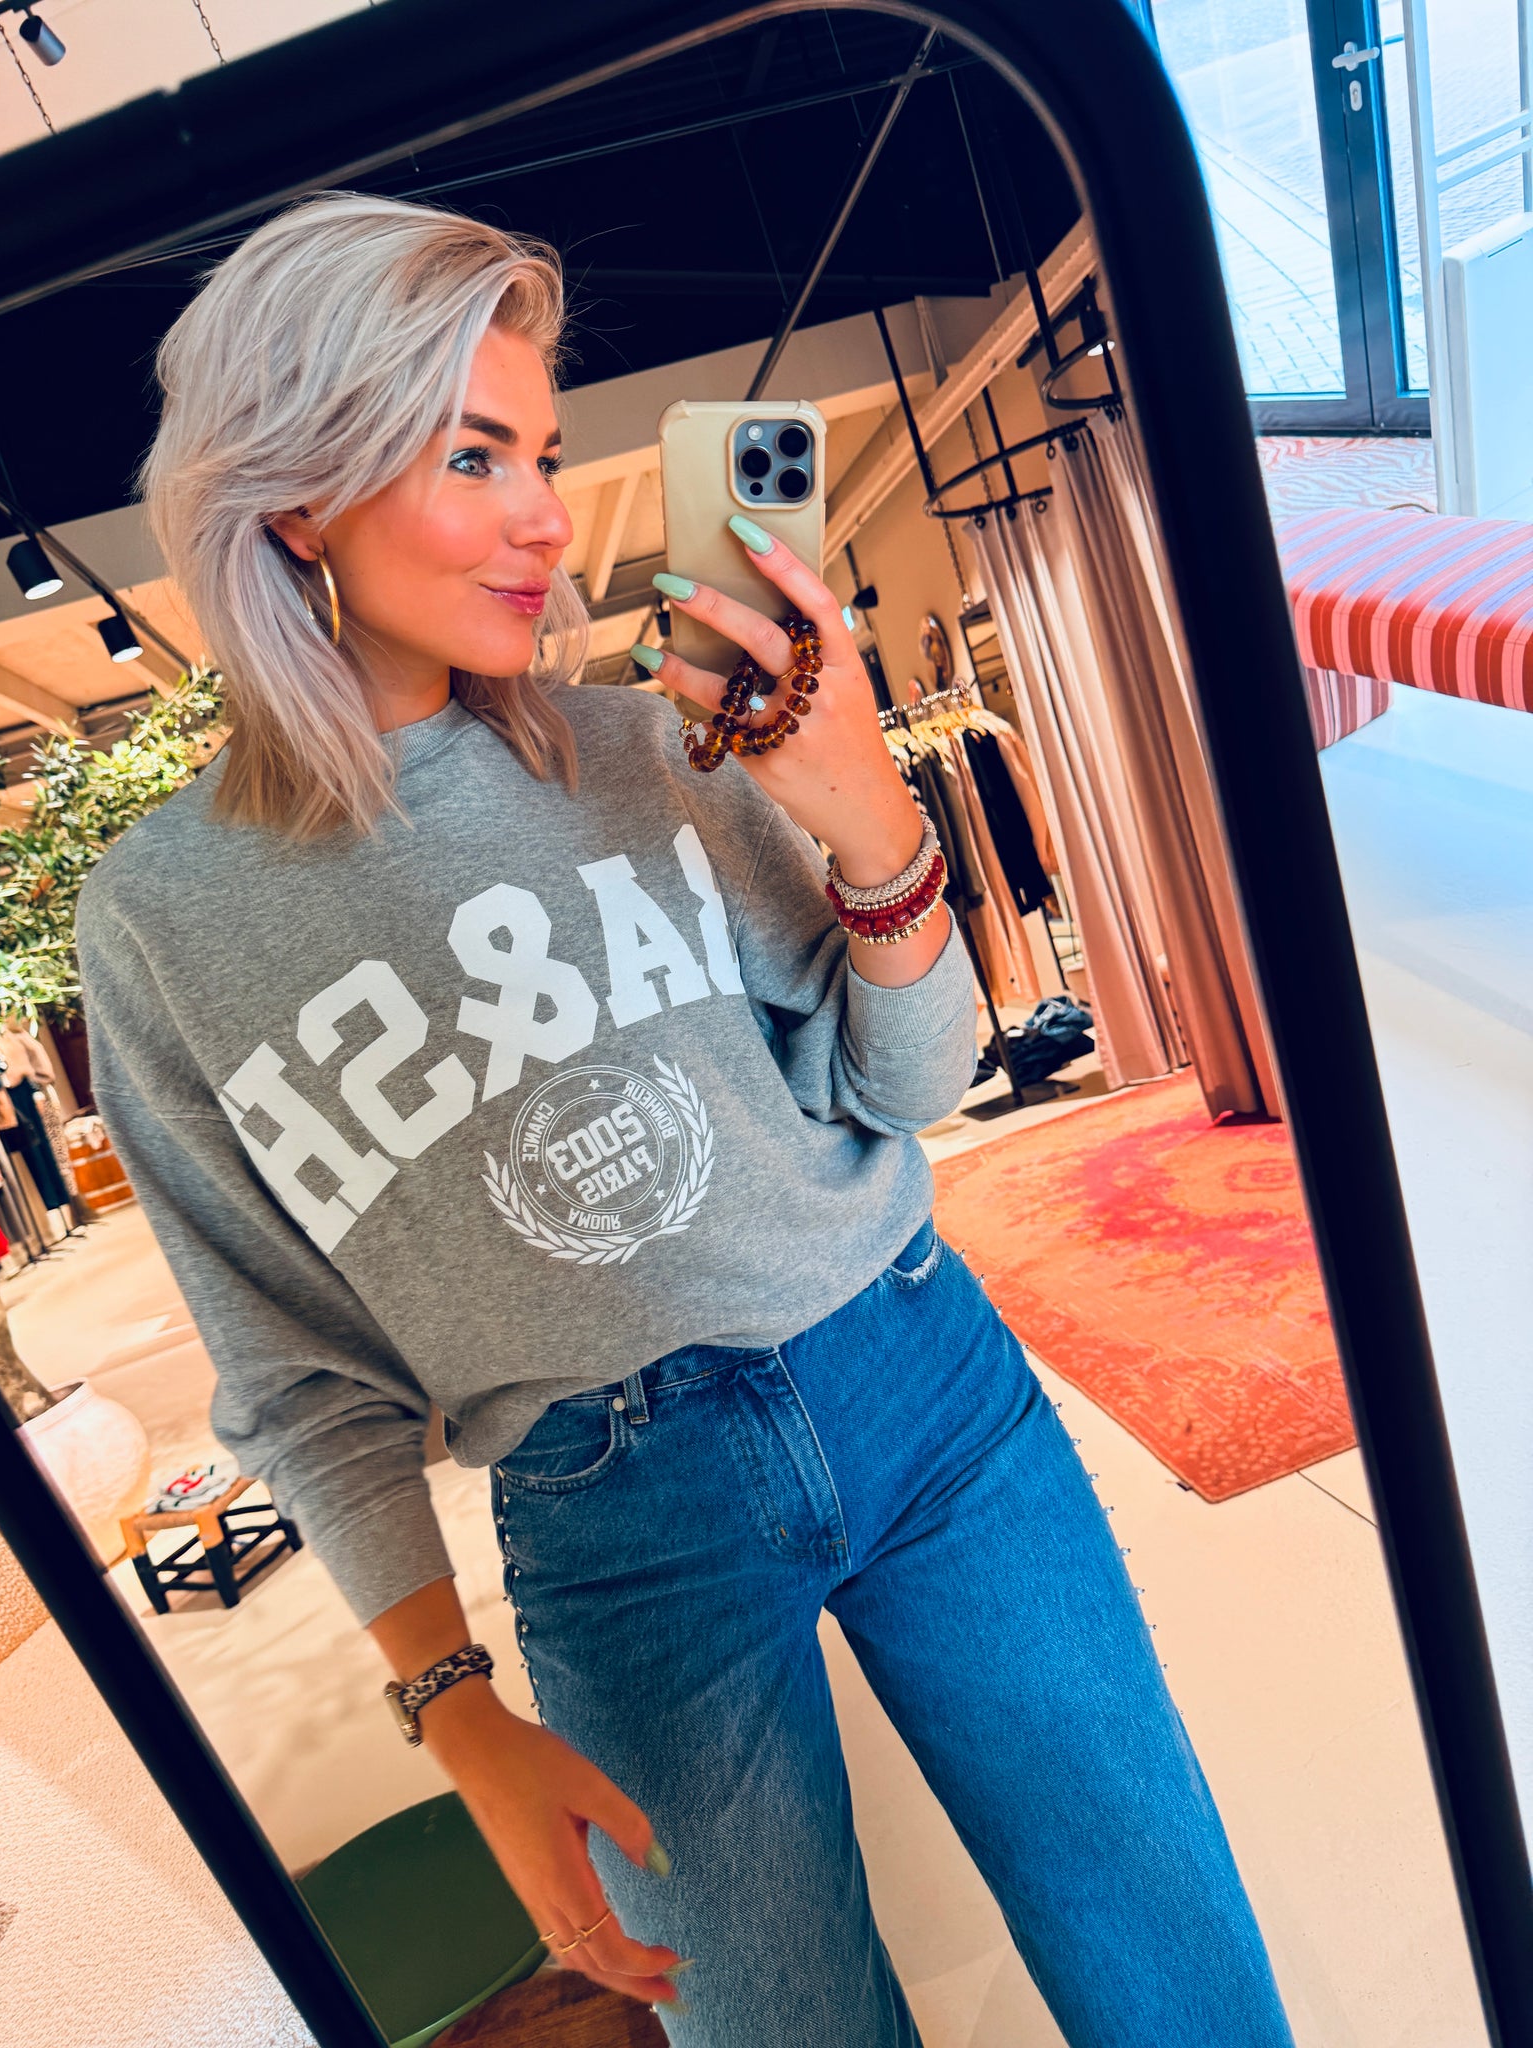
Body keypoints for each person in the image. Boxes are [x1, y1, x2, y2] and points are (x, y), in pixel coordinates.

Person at [75, 192, 1294, 2048]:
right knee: (774, 2027)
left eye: (541, 451)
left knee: (1159, 1930)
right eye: (471, 454)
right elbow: (292, 1368)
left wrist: (870, 815)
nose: (546, 516)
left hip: (919, 1376)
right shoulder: (166, 922)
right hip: (615, 1516)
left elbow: (907, 1086)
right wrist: (451, 1707)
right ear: (298, 497)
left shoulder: (651, 749)